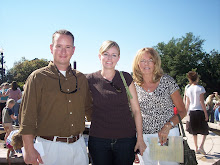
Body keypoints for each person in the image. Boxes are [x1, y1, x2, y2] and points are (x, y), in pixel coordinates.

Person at [19, 29, 92, 165]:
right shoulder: (37, 77)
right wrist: (29, 149)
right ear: (51, 48)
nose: (63, 51)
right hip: (49, 148)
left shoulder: (81, 78)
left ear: (73, 50)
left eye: (67, 47)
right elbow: (27, 115)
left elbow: (90, 109)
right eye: (59, 46)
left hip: (79, 146)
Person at [86, 40, 146, 165]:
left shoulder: (125, 78)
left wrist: (139, 138)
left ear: (118, 58)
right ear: (99, 56)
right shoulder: (89, 80)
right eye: (106, 54)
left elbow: (136, 110)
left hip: (126, 140)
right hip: (98, 141)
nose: (109, 58)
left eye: (114, 55)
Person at [132, 47, 186, 165]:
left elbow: (182, 111)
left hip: (168, 136)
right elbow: (134, 114)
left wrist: (168, 126)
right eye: (142, 60)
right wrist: (135, 142)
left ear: (155, 62)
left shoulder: (167, 81)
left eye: (150, 60)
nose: (146, 64)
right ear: (137, 64)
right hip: (144, 138)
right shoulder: (133, 85)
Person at [185, 71, 209, 155]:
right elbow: (202, 102)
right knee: (204, 130)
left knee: (194, 131)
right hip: (200, 111)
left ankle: (196, 148)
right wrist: (206, 113)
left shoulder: (188, 89)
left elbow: (187, 103)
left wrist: (185, 113)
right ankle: (201, 146)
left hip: (191, 111)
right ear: (197, 78)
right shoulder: (200, 88)